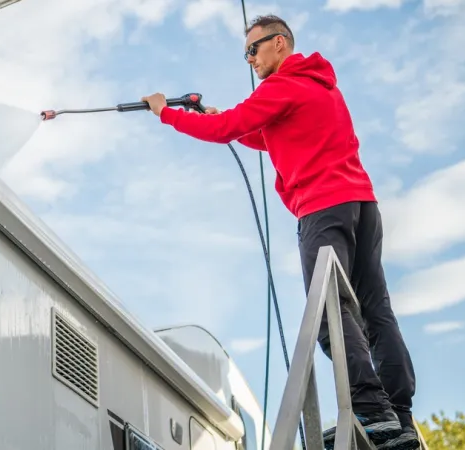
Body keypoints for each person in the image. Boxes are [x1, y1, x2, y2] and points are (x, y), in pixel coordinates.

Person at [141, 14, 418, 450]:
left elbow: (225, 129)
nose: (249, 58)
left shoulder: (281, 85)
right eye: (245, 52)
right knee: (375, 309)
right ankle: (398, 415)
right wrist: (230, 118)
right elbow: (272, 134)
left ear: (281, 44)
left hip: (323, 209)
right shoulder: (319, 85)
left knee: (332, 314)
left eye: (254, 48)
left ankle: (371, 408)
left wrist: (165, 113)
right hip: (361, 206)